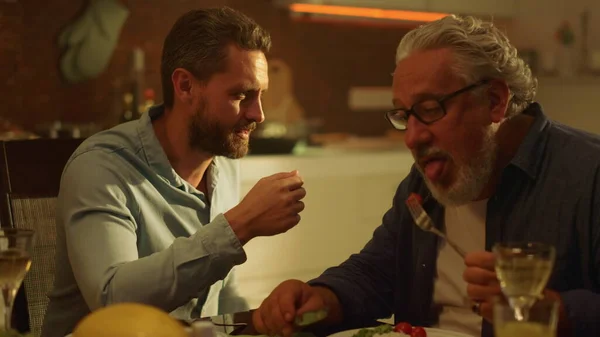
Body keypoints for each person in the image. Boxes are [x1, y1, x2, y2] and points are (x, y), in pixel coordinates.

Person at [253, 14, 600, 337]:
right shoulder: (426, 181)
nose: (411, 137)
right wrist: (322, 298)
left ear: (494, 101)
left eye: (430, 109)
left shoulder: (587, 174)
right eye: (405, 115)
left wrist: (555, 311)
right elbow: (377, 272)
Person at [41, 7, 306, 337]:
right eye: (241, 95)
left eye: (260, 95)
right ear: (185, 86)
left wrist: (265, 320)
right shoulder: (102, 167)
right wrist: (239, 226)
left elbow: (220, 303)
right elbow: (113, 300)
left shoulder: (222, 163)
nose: (259, 114)